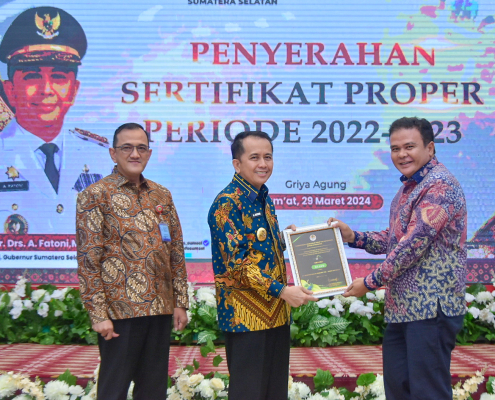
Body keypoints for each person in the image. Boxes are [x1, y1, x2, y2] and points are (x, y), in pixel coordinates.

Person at [328, 117, 467, 400]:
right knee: (398, 390)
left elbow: (411, 246)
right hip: (403, 310)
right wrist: (353, 236)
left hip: (430, 310)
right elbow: (395, 239)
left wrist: (369, 282)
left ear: (430, 148)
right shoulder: (410, 187)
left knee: (428, 394)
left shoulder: (440, 186)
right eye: (395, 148)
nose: (402, 154)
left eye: (409, 147)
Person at [76, 123, 189, 400]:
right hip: (119, 313)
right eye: (127, 147)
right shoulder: (95, 195)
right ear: (113, 153)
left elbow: (175, 250)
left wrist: (180, 302)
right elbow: (89, 260)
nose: (134, 154)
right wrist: (98, 315)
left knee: (153, 391)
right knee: (113, 390)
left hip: (159, 309)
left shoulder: (161, 195)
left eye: (141, 148)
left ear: (149, 153)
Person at [208, 130, 317, 400]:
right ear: (237, 164)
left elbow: (257, 248)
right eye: (254, 157)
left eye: (268, 157)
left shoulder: (263, 198)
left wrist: (285, 240)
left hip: (275, 314)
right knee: (249, 393)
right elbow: (238, 265)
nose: (263, 164)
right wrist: (283, 291)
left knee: (274, 391)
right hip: (246, 317)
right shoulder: (227, 204)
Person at [0, 6, 112, 234]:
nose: (47, 90)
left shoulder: (102, 157)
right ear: (10, 90)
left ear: (73, 90)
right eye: (32, 76)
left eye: (59, 77)